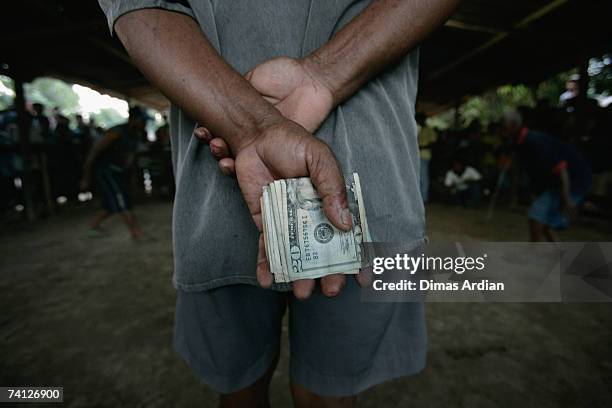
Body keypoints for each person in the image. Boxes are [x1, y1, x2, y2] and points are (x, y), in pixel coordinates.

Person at [99, 0, 458, 406]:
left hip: (239, 180)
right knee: (319, 395)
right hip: (349, 180)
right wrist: (315, 82)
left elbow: (141, 8)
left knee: (252, 392)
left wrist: (254, 123)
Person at [501, 110, 592, 242]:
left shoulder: (534, 141)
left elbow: (561, 169)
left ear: (514, 125)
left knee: (537, 216)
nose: (501, 130)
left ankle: (535, 253)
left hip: (575, 179)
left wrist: (566, 198)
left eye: (504, 127)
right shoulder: (520, 143)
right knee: (544, 222)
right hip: (562, 181)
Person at [79, 106, 147, 239]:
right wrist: (85, 176)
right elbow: (94, 151)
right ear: (133, 119)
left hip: (119, 172)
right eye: (141, 120)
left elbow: (130, 158)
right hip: (106, 172)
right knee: (121, 199)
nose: (144, 124)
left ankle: (94, 225)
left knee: (114, 203)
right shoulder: (116, 132)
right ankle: (135, 232)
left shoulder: (135, 135)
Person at [417, 112, 437, 203]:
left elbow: (433, 145)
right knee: (418, 178)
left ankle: (424, 199)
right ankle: (420, 198)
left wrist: (421, 147)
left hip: (425, 156)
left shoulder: (430, 130)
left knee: (424, 178)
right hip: (417, 156)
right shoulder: (419, 130)